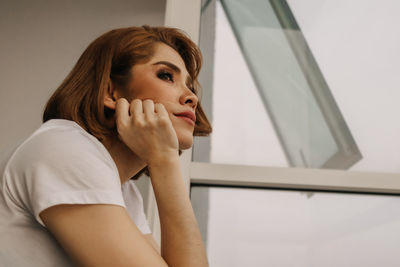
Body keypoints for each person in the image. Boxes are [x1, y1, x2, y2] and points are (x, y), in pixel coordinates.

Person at [0, 26, 212, 267]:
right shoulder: (65, 148)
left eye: (191, 87)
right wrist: (164, 160)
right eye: (166, 75)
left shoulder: (125, 192)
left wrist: (165, 160)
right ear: (110, 92)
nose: (191, 97)